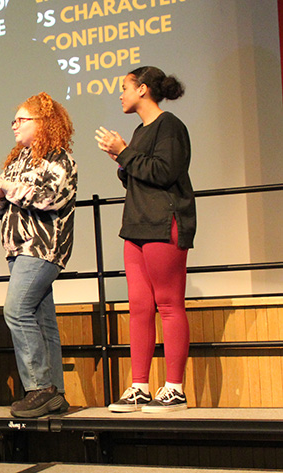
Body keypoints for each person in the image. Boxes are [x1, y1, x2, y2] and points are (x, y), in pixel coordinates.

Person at [95, 66, 194, 414]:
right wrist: (122, 159)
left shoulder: (170, 126)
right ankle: (139, 385)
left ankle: (175, 389)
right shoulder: (139, 132)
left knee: (168, 304)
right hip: (136, 225)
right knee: (139, 308)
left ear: (143, 89)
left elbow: (165, 172)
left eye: (124, 87)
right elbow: (139, 178)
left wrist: (125, 153)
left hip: (162, 222)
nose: (120, 94)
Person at [0, 92, 77, 418]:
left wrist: (10, 189)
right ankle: (56, 393)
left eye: (22, 120)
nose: (14, 125)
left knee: (16, 311)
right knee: (42, 320)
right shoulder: (18, 161)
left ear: (43, 123)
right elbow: (1, 210)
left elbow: (50, 199)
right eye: (14, 120)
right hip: (17, 249)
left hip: (43, 247)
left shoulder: (60, 160)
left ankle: (39, 387)